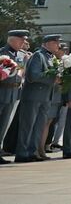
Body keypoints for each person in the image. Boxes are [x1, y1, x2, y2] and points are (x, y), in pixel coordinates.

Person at [16, 34, 61, 163]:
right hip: (34, 96)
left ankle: (32, 151)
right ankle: (22, 153)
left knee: (39, 126)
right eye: (55, 42)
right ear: (47, 43)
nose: (58, 45)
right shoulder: (38, 55)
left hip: (45, 97)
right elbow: (33, 76)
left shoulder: (50, 57)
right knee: (28, 125)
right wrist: (53, 79)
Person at [0, 29, 29, 163]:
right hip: (2, 90)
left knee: (5, 124)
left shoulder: (22, 55)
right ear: (13, 39)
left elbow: (21, 73)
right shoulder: (3, 53)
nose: (24, 42)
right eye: (21, 39)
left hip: (14, 93)